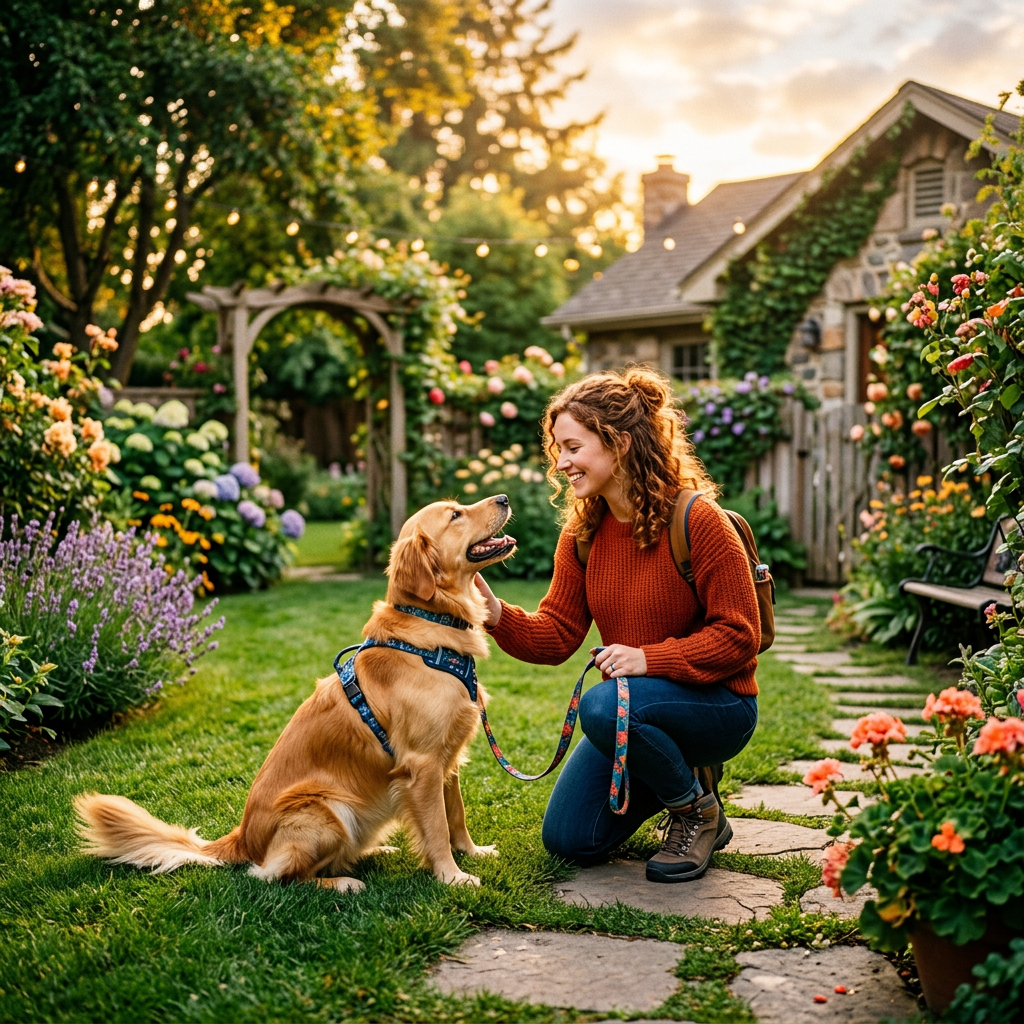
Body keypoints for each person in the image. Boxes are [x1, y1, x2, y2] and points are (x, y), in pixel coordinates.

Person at [474, 367, 760, 882]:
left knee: (602, 705)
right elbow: (557, 634)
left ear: (620, 443)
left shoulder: (699, 521)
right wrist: (496, 614)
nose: (561, 462)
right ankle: (678, 777)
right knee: (570, 838)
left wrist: (648, 658)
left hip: (719, 706)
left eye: (573, 447)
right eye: (558, 449)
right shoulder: (582, 534)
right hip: (633, 712)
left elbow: (741, 636)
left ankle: (696, 812)